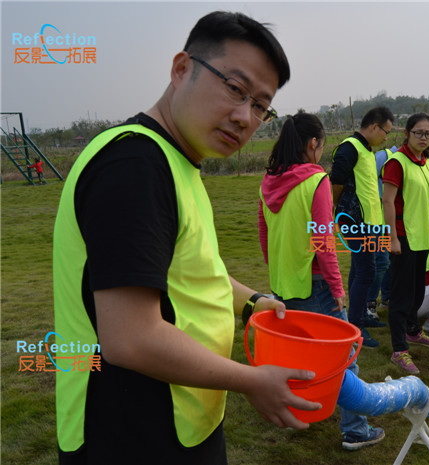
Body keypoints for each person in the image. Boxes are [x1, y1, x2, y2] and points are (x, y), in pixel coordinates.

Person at [52, 12, 321, 464]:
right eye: (235, 89)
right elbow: (130, 337)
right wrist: (251, 380)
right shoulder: (134, 165)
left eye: (260, 105)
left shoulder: (176, 161)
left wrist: (252, 301)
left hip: (183, 419)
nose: (244, 117)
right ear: (181, 69)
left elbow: (191, 271)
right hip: (133, 434)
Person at [258, 112, 384, 451]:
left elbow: (264, 234)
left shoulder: (267, 181)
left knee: (297, 357)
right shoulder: (316, 181)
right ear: (313, 144)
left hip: (284, 286)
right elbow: (323, 240)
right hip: (316, 284)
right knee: (344, 359)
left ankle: (294, 416)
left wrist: (279, 270)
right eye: (321, 145)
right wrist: (337, 287)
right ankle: (356, 429)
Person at [330, 106, 395, 348]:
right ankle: (355, 326)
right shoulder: (350, 148)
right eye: (385, 132)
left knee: (362, 271)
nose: (386, 138)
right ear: (374, 127)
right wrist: (335, 210)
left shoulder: (367, 150)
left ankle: (358, 319)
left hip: (372, 223)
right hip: (355, 222)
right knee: (366, 272)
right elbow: (336, 182)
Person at [382, 112, 429, 374]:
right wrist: (391, 237)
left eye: (428, 133)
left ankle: (413, 331)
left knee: (418, 292)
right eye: (419, 133)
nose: (424, 137)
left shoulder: (426, 163)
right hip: (402, 238)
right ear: (407, 133)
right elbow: (387, 201)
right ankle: (399, 350)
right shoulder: (397, 162)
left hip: (422, 238)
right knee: (401, 296)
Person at [365, 144, 398, 325]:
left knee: (389, 260)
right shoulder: (383, 157)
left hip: (393, 218)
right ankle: (369, 303)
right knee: (380, 260)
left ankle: (386, 297)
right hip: (376, 218)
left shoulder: (415, 162)